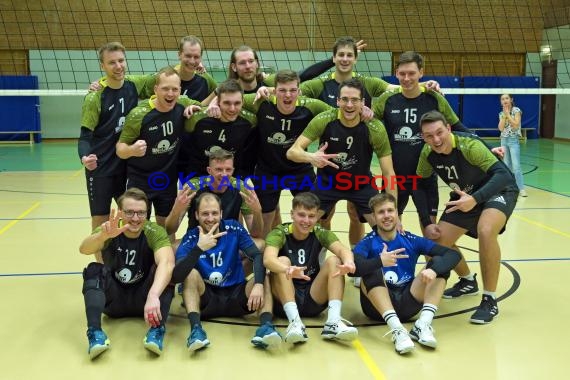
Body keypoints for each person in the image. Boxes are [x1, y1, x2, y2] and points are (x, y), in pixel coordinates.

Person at [417, 110, 519, 324]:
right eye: (429, 135)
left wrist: (476, 199)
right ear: (423, 137)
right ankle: (467, 281)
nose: (436, 139)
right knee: (435, 241)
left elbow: (504, 175)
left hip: (498, 190)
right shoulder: (427, 153)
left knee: (486, 229)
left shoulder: (468, 145)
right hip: (465, 195)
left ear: (448, 129)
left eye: (439, 132)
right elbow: (422, 184)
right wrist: (428, 220)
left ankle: (489, 299)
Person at [372, 51, 472, 233]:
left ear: (421, 72)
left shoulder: (434, 98)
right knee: (389, 231)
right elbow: (368, 125)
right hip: (395, 177)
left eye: (411, 73)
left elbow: (458, 127)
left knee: (430, 232)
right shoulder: (386, 100)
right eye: (402, 74)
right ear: (396, 74)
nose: (406, 78)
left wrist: (488, 149)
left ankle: (430, 263)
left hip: (425, 178)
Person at [352, 193, 461, 354]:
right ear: (374, 217)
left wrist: (433, 269)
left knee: (439, 265)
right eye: (381, 212)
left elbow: (453, 255)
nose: (387, 215)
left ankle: (423, 324)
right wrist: (380, 261)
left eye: (390, 210)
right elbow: (354, 269)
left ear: (397, 213)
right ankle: (397, 330)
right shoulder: (367, 242)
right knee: (370, 269)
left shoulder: (411, 239)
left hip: (408, 302)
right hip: (377, 308)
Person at [172, 192, 281, 351]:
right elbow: (176, 277)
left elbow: (257, 256)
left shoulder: (234, 228)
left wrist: (257, 284)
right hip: (207, 299)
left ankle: (266, 327)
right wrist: (198, 249)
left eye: (215, 213)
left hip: (237, 295)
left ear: (221, 213)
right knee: (190, 274)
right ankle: (196, 330)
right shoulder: (191, 238)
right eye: (205, 214)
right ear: (196, 215)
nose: (210, 218)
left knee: (263, 276)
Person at [287, 78, 396, 231]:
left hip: (361, 184)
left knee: (386, 228)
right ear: (337, 101)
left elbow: (388, 172)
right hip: (327, 183)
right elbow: (292, 152)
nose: (349, 105)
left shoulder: (374, 127)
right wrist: (312, 157)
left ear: (362, 102)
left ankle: (357, 254)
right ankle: (318, 254)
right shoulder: (324, 120)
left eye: (354, 100)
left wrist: (394, 210)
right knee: (302, 227)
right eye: (344, 99)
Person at [79, 188, 175, 359]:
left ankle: (156, 330)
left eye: (141, 213)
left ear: (147, 213)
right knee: (94, 269)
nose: (136, 218)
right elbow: (84, 249)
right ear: (121, 212)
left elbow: (167, 263)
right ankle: (95, 333)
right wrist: (102, 236)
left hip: (145, 300)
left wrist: (153, 295)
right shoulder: (110, 228)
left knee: (167, 273)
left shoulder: (153, 231)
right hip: (114, 300)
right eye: (130, 212)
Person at [79, 42, 151, 261]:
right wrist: (84, 157)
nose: (118, 66)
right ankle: (100, 267)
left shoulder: (134, 84)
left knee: (129, 215)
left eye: (121, 61)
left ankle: (124, 262)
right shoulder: (95, 97)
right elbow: (84, 136)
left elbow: (167, 78)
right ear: (103, 66)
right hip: (100, 167)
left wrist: (198, 68)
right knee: (100, 218)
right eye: (112, 63)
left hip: (127, 166)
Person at [241, 69, 333, 237]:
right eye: (282, 90)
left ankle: (308, 254)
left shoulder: (311, 106)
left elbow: (337, 114)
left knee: (311, 213)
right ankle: (267, 257)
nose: (288, 95)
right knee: (266, 217)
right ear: (275, 91)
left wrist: (363, 111)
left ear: (299, 91)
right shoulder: (261, 102)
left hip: (299, 170)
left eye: (292, 90)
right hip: (267, 171)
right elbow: (227, 97)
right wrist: (212, 104)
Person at [263, 192, 358, 344]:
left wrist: (349, 262)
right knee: (282, 261)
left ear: (317, 216)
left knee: (334, 260)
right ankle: (295, 322)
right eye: (302, 215)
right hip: (285, 297)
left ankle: (333, 322)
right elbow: (268, 259)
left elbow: (342, 250)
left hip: (313, 297)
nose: (306, 221)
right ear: (292, 214)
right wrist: (287, 269)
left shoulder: (320, 233)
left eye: (311, 216)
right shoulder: (279, 233)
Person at [116, 67, 200, 228]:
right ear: (155, 89)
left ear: (180, 90)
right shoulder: (138, 114)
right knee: (136, 228)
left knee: (167, 230)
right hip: (140, 181)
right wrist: (132, 150)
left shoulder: (183, 103)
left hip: (166, 180)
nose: (170, 94)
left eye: (175, 89)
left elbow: (204, 107)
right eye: (165, 89)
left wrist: (193, 108)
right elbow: (120, 149)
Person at [165, 149, 264, 242]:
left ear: (233, 170)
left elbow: (256, 234)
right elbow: (170, 230)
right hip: (198, 241)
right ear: (209, 170)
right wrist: (176, 210)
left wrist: (257, 211)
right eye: (219, 169)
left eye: (228, 169)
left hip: (229, 244)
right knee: (171, 250)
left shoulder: (241, 188)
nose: (224, 174)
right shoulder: (192, 187)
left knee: (260, 244)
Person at [185, 79, 257, 178]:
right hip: (198, 178)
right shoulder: (196, 119)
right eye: (227, 103)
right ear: (218, 101)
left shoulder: (250, 121)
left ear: (243, 102)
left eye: (237, 103)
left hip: (231, 179)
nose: (232, 109)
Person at [498, 93, 527, 197]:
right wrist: (504, 115)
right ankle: (509, 187)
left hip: (513, 140)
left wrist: (508, 114)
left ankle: (521, 188)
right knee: (506, 165)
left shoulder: (516, 111)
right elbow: (501, 128)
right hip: (504, 140)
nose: (505, 100)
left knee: (516, 166)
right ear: (501, 102)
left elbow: (515, 125)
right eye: (502, 99)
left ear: (511, 99)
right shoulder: (501, 113)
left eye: (506, 98)